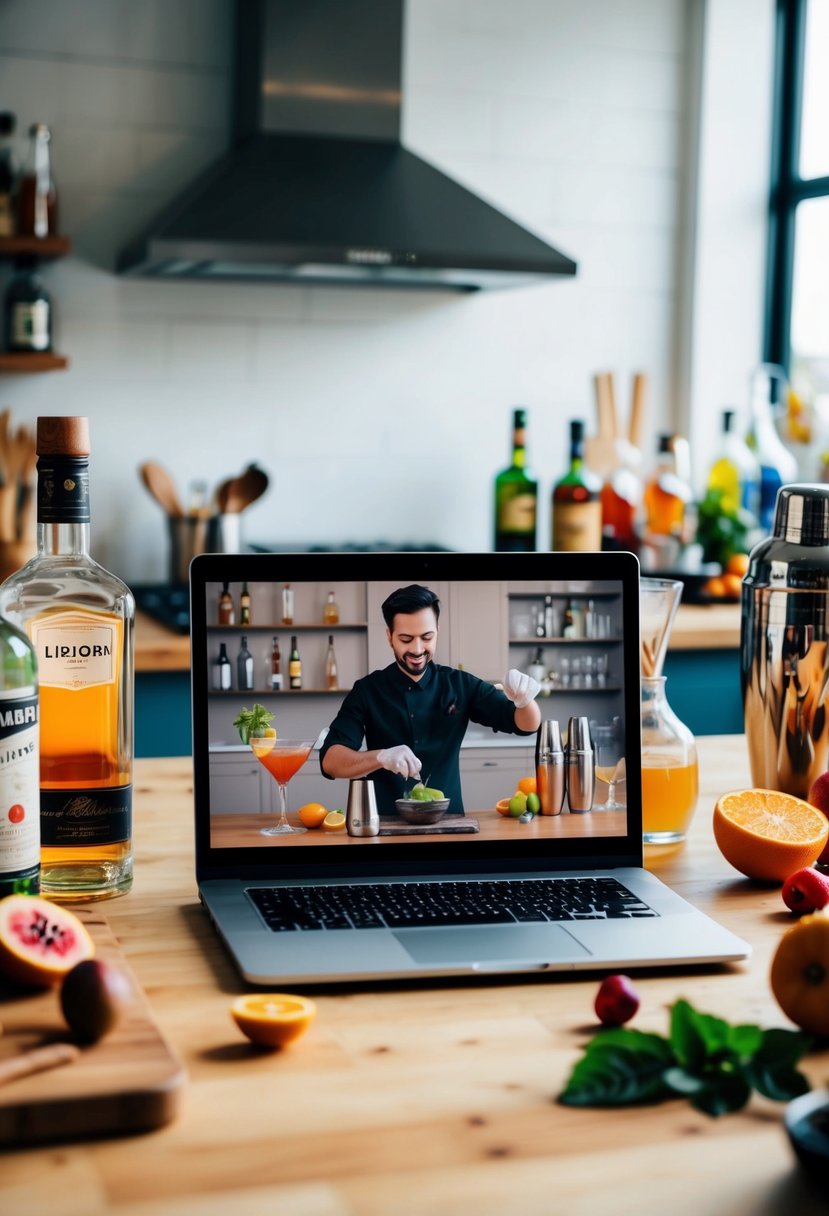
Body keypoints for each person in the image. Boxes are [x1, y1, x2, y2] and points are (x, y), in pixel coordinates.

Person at [319, 584, 541, 815]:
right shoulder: (367, 690)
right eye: (406, 639)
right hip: (385, 826)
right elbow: (330, 761)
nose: (417, 649)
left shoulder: (460, 684)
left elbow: (525, 725)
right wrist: (381, 757)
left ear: (437, 630)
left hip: (449, 823)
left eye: (426, 637)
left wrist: (525, 700)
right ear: (390, 637)